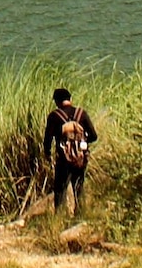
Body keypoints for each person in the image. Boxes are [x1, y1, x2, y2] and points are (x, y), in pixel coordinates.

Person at [40, 89, 98, 219]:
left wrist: (47, 154)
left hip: (63, 160)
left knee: (60, 190)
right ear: (70, 99)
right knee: (79, 187)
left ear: (56, 102)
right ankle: (81, 217)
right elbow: (94, 136)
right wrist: (82, 142)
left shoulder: (54, 116)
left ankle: (60, 219)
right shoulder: (81, 114)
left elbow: (47, 140)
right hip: (80, 158)